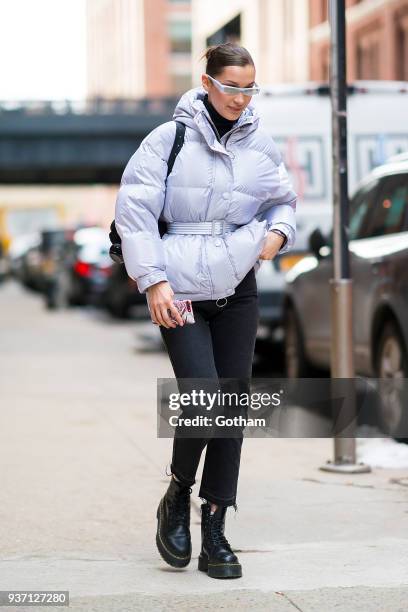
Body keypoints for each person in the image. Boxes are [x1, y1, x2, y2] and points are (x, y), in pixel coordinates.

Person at [115, 43, 297, 579]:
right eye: (232, 86)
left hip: (237, 287)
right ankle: (178, 494)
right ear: (208, 82)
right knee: (204, 393)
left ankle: (215, 526)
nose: (241, 98)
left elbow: (283, 200)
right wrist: (153, 282)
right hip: (181, 290)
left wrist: (278, 234)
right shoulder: (167, 140)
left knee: (232, 407)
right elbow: (136, 212)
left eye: (250, 87)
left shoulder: (260, 144)